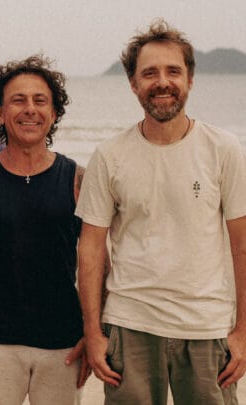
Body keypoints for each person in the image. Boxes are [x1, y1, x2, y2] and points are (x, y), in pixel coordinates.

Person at [76, 19, 246, 405]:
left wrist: (243, 331)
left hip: (207, 327)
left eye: (173, 71)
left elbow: (242, 244)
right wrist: (93, 332)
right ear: (133, 84)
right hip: (130, 324)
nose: (162, 82)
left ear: (190, 79)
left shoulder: (223, 149)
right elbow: (91, 248)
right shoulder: (110, 155)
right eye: (149, 73)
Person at [0, 55, 91, 405]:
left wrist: (94, 334)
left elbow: (96, 262)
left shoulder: (77, 180)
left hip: (63, 343)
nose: (30, 110)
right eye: (18, 100)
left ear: (53, 113)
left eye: (40, 101)